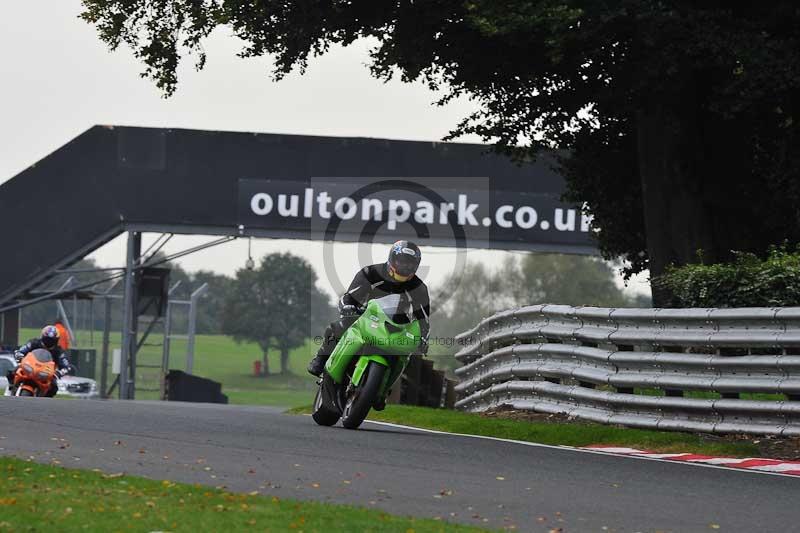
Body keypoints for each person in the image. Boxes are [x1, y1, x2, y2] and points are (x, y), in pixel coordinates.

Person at [307, 240, 431, 377]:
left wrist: (423, 337)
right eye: (401, 261)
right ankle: (320, 359)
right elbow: (349, 297)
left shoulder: (419, 288)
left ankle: (394, 384)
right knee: (339, 326)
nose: (405, 267)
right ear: (392, 259)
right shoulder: (370, 273)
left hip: (397, 327)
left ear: (416, 266)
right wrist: (348, 307)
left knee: (412, 353)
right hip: (364, 317)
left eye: (409, 264)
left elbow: (424, 319)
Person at [10, 325, 74, 397]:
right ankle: (10, 389)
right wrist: (20, 356)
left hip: (45, 373)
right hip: (30, 367)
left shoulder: (58, 351)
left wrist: (58, 373)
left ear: (56, 340)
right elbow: (21, 350)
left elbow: (66, 366)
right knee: (12, 372)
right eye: (47, 339)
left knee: (53, 387)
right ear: (43, 337)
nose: (49, 342)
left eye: (52, 340)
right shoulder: (34, 343)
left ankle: (44, 402)